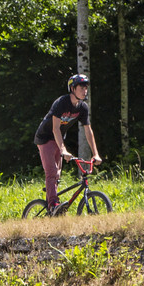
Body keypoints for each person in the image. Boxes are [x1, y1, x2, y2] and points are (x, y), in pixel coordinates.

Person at [33, 74, 101, 212]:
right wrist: (63, 149)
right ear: (72, 88)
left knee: (57, 174)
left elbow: (88, 131)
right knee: (51, 171)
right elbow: (55, 128)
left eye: (86, 88)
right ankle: (53, 205)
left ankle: (52, 203)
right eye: (81, 87)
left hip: (58, 139)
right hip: (45, 137)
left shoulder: (83, 107)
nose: (85, 90)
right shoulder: (61, 103)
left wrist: (96, 154)